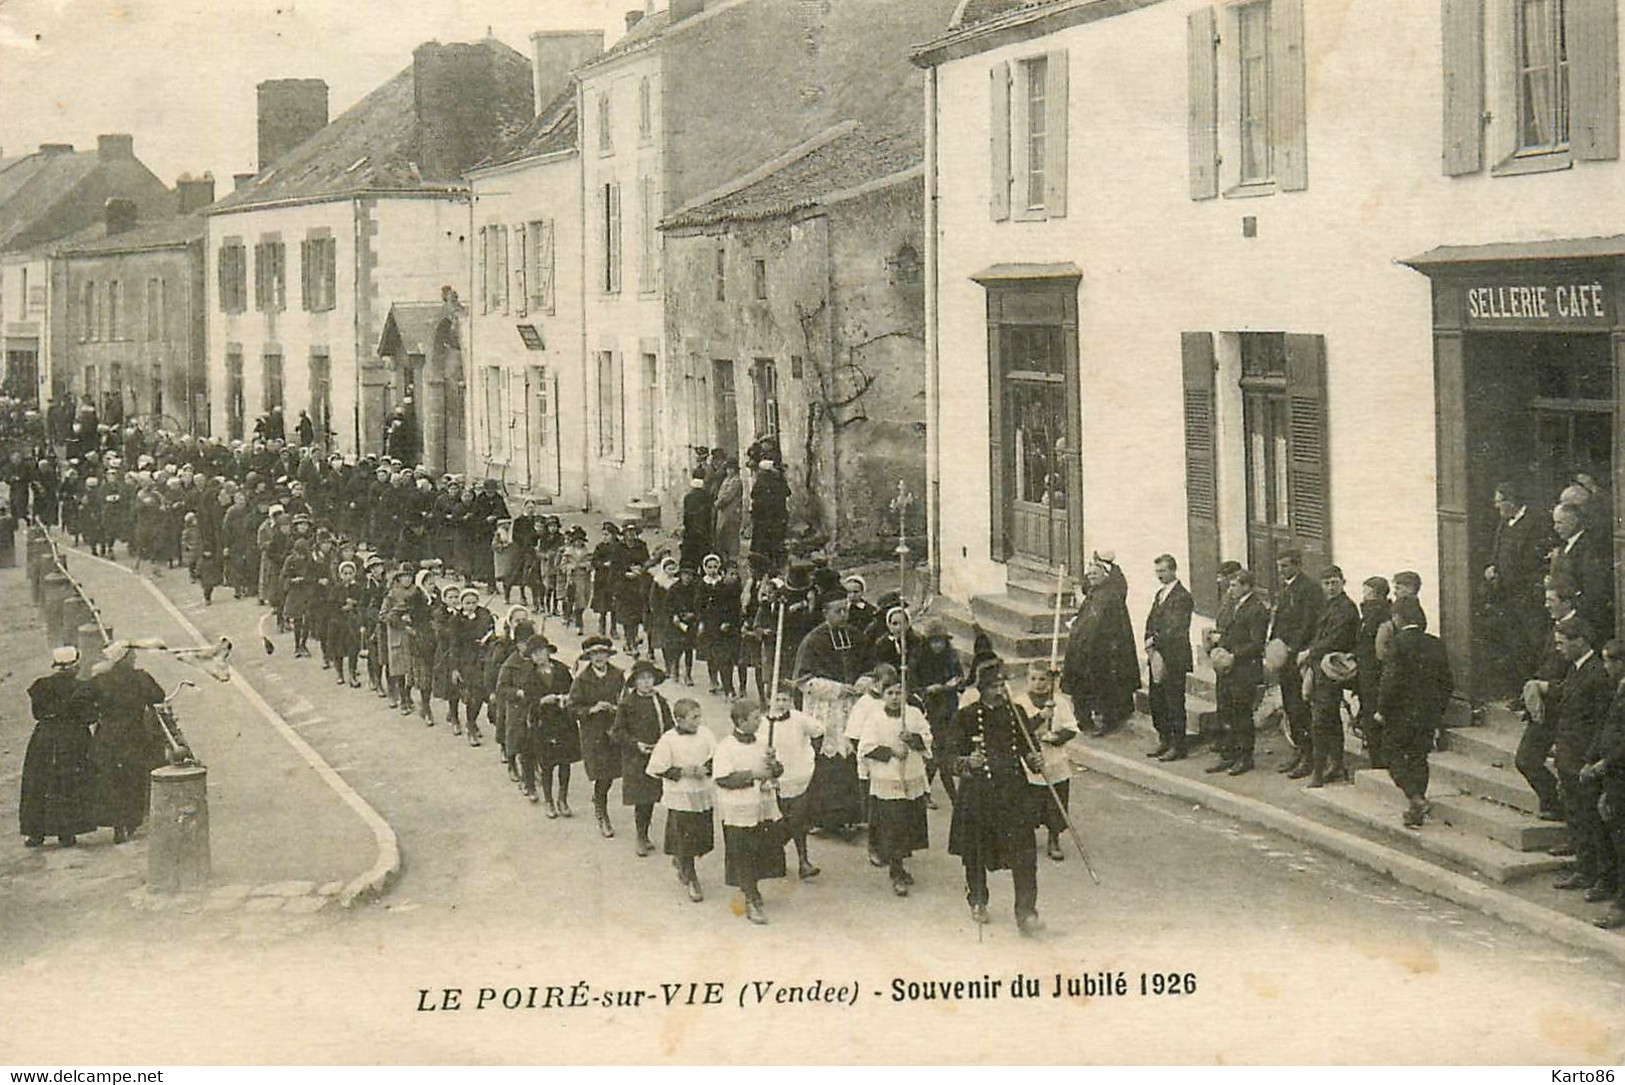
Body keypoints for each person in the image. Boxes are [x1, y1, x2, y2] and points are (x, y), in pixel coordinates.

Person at [946, 645, 1045, 933]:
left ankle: (1026, 912)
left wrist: (1034, 760)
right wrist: (967, 761)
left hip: (1014, 793)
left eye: (1004, 684)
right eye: (995, 685)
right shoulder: (966, 717)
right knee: (975, 852)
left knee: (1025, 854)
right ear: (982, 688)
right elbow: (948, 758)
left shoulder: (1017, 714)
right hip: (979, 793)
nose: (1001, 690)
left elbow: (1030, 751)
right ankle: (977, 899)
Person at [1547, 616, 1617, 897]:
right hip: (1569, 759)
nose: (1558, 649)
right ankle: (1584, 870)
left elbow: (1602, 723)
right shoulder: (1576, 669)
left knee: (1593, 823)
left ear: (1580, 642)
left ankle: (1602, 878)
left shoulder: (1596, 674)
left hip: (1584, 762)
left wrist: (1591, 760)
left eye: (1562, 643)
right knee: (1577, 817)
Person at [793, 590, 869, 836]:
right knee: (826, 761)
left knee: (850, 759)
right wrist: (837, 689)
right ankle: (822, 818)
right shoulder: (813, 640)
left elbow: (871, 668)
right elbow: (804, 681)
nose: (844, 614)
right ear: (825, 612)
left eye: (846, 609)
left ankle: (850, 816)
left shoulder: (856, 635)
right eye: (838, 610)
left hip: (852, 707)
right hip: (826, 709)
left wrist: (862, 683)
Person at [1376, 597, 1455, 829]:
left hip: (1401, 714)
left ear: (1398, 618)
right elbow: (1446, 682)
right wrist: (1437, 710)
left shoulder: (1398, 644)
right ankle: (1415, 811)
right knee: (1420, 758)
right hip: (1427, 714)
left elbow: (1390, 681)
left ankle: (1416, 798)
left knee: (1391, 755)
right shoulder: (1436, 643)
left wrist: (1382, 709)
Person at [712, 700, 789, 925]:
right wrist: (753, 774)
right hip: (739, 809)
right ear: (741, 721)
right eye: (755, 718)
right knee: (743, 852)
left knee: (760, 850)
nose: (760, 721)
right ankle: (749, 897)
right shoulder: (726, 747)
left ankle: (753, 888)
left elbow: (776, 771)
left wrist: (774, 765)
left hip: (761, 806)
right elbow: (723, 778)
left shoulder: (763, 742)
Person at [858, 666, 931, 895]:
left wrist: (914, 739)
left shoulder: (914, 714)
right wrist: (890, 751)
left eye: (899, 693)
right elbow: (866, 747)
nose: (894, 698)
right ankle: (896, 871)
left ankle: (900, 864)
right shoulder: (875, 717)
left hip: (910, 774)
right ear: (882, 694)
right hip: (888, 776)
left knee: (908, 823)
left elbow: (928, 739)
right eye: (890, 693)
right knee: (894, 824)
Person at [87, 641, 168, 843]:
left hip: (107, 735)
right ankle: (131, 822)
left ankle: (117, 825)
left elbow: (84, 701)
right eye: (132, 656)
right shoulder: (141, 678)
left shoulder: (101, 680)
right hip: (135, 735)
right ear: (126, 658)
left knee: (112, 779)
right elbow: (159, 696)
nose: (135, 658)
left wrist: (98, 712)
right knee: (133, 779)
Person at [19, 647, 97, 848]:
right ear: (74, 664)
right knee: (69, 782)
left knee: (39, 782)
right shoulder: (82, 687)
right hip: (73, 737)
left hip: (45, 736)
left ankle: (35, 833)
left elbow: (37, 714)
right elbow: (89, 717)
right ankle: (67, 832)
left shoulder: (41, 685)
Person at [1517, 581, 1580, 821]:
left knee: (1529, 758)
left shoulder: (1578, 630)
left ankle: (1557, 806)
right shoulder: (1555, 626)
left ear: (1567, 602)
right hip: (1545, 706)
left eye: (1551, 601)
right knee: (1526, 759)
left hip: (1561, 708)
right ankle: (1554, 803)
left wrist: (1546, 687)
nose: (1546, 605)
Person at [645, 698, 717, 903]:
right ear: (679, 720)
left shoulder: (705, 734)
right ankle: (690, 875)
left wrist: (706, 768)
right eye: (693, 718)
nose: (698, 721)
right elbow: (656, 768)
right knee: (685, 836)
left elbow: (716, 755)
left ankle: (682, 860)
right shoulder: (668, 740)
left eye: (699, 716)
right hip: (681, 795)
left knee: (699, 835)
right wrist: (683, 772)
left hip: (701, 791)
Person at [1484, 482, 1548, 693]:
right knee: (1514, 645)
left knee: (1533, 643)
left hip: (1527, 597)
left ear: (1512, 502)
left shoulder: (1534, 524)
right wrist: (1493, 566)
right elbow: (1498, 549)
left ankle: (1535, 690)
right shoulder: (1505, 522)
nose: (1496, 506)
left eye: (1499, 501)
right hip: (1507, 595)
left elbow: (1535, 562)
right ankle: (1520, 690)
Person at [1301, 565, 1360, 788]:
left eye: (1334, 582)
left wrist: (1309, 652)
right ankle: (1335, 764)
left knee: (1321, 721)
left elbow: (1336, 639)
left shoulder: (1346, 608)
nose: (1330, 587)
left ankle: (1319, 771)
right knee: (1329, 719)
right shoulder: (1328, 606)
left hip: (1331, 668)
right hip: (1319, 669)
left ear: (1343, 582)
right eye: (1326, 583)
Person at [1207, 569, 1270, 776]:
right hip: (1226, 669)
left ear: (1247, 586)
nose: (1230, 589)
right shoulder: (1234, 606)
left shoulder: (1256, 609)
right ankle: (1228, 755)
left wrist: (1234, 654)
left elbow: (1256, 643)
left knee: (1241, 713)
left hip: (1243, 669)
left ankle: (1245, 757)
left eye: (1234, 585)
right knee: (1226, 710)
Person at [1269, 549, 1325, 778]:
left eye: (1285, 566)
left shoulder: (1309, 589)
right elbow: (1279, 620)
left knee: (1301, 707)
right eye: (1279, 566)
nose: (1281, 570)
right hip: (1284, 656)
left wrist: (1293, 647)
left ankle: (1309, 757)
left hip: (1298, 656)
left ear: (1298, 565)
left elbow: (1308, 622)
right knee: (1290, 707)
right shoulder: (1286, 588)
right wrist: (1274, 644)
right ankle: (1299, 751)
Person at [1015, 660, 1079, 861]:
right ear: (1027, 679)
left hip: (1054, 759)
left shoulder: (1060, 702)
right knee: (1028, 802)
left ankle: (1054, 839)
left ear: (1051, 681)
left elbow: (1071, 727)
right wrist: (1041, 717)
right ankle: (1025, 840)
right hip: (1031, 760)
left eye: (1043, 679)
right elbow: (1020, 730)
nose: (1038, 683)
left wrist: (1058, 737)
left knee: (1055, 802)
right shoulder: (1020, 703)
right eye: (1033, 678)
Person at [611, 658, 676, 855]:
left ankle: (647, 834)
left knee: (655, 796)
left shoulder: (659, 701)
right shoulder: (628, 703)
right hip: (636, 758)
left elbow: (669, 725)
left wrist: (666, 744)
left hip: (657, 755)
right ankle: (641, 835)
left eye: (650, 678)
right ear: (635, 682)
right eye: (642, 679)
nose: (647, 682)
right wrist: (636, 744)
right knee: (642, 799)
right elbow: (617, 732)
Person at [761, 680, 824, 879]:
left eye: (785, 699)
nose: (780, 703)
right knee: (778, 822)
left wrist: (810, 752)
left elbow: (819, 729)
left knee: (798, 820)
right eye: (777, 699)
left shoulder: (798, 719)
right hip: (776, 780)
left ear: (791, 701)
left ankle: (803, 861)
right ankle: (774, 860)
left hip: (798, 776)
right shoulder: (764, 723)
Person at [1583, 639, 1625, 929]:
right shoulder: (1617, 688)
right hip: (1612, 775)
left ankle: (1621, 905)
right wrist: (1591, 759)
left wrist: (1605, 763)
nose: (1606, 666)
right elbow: (1606, 728)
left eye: (1610, 661)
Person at [570, 635, 625, 838]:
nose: (599, 658)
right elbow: (572, 707)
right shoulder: (581, 679)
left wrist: (616, 707)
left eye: (603, 654)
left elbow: (625, 699)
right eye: (595, 654)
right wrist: (592, 709)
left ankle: (598, 799)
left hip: (612, 729)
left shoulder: (618, 675)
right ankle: (602, 813)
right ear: (589, 657)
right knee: (601, 773)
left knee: (610, 773)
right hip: (593, 732)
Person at [1144, 553, 1193, 761]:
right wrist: (1148, 641)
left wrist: (1155, 640)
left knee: (1174, 701)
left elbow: (1176, 628)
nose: (1160, 576)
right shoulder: (1160, 594)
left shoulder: (1182, 597)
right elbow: (1151, 620)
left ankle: (1177, 744)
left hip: (1173, 657)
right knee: (1157, 700)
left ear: (1173, 570)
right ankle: (1164, 739)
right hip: (1157, 655)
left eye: (1163, 571)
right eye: (1157, 572)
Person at [1550, 503, 1614, 640]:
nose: (1555, 528)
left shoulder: (1590, 549)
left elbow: (1594, 592)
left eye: (1559, 523)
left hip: (1583, 621)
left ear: (1574, 521)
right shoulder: (1567, 545)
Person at [1355, 577, 1393, 769]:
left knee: (1373, 713)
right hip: (1371, 669)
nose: (1364, 596)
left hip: (1372, 671)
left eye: (1366, 592)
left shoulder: (1375, 614)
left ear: (1374, 594)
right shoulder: (1382, 612)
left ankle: (1378, 758)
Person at [697, 553, 742, 698]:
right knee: (719, 657)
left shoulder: (735, 587)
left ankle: (729, 686)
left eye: (735, 574)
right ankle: (726, 687)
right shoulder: (714, 588)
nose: (733, 577)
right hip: (715, 628)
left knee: (729, 658)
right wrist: (708, 621)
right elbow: (707, 608)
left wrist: (731, 622)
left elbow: (737, 609)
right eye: (730, 574)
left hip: (731, 629)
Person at [750, 459, 789, 568]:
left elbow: (753, 494)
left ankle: (762, 563)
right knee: (776, 540)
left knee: (762, 540)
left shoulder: (761, 480)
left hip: (763, 516)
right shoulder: (779, 479)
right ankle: (776, 562)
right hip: (777, 515)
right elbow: (787, 492)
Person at [713, 459, 743, 561]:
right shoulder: (726, 480)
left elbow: (728, 495)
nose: (729, 471)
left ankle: (733, 557)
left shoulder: (736, 481)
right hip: (723, 512)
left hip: (732, 512)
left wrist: (717, 503)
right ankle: (724, 556)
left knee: (732, 533)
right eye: (728, 469)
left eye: (731, 469)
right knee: (722, 532)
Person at [681, 476, 713, 571]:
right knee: (704, 555)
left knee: (691, 557)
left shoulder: (688, 497)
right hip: (704, 532)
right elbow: (709, 515)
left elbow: (686, 516)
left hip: (691, 531)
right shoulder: (707, 496)